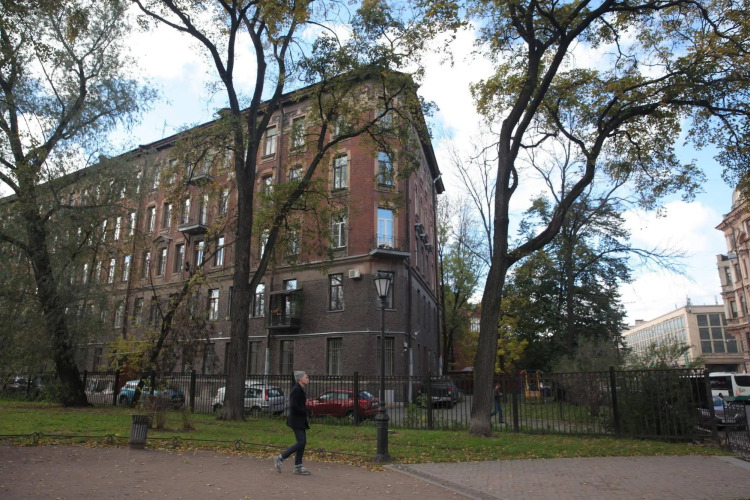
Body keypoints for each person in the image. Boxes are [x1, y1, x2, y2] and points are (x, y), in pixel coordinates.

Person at [274, 371, 311, 475]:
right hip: (296, 420)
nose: (308, 379)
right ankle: (280, 458)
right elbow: (294, 406)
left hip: (300, 420)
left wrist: (306, 411)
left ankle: (298, 466)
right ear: (300, 379)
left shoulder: (300, 389)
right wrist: (305, 411)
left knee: (302, 442)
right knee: (301, 442)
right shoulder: (296, 390)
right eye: (306, 377)